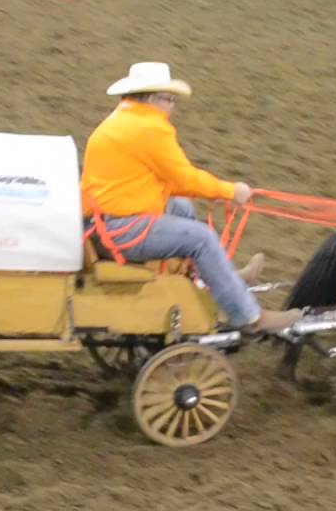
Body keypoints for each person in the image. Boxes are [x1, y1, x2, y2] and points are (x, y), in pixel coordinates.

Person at [80, 62, 302, 334]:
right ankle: (250, 318)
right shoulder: (150, 128)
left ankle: (216, 277)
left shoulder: (119, 121)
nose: (172, 106)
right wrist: (230, 191)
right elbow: (184, 178)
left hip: (100, 224)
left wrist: (214, 191)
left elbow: (157, 182)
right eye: (169, 99)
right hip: (119, 230)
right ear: (151, 98)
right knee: (201, 238)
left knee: (181, 207)